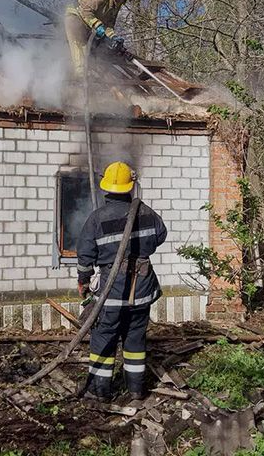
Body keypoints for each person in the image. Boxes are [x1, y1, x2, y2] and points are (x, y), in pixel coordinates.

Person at [76, 161, 166, 401]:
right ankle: (136, 389)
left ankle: (100, 391)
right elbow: (160, 236)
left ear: (106, 187)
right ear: (130, 186)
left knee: (104, 338)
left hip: (111, 293)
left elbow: (85, 256)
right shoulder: (146, 212)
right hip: (142, 290)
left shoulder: (97, 219)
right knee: (135, 338)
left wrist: (83, 282)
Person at [64, 0, 135, 79]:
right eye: (123, 0)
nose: (123, 3)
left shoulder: (114, 8)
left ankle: (89, 75)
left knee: (96, 50)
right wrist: (97, 25)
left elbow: (109, 25)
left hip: (88, 24)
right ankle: (80, 76)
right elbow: (85, 10)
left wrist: (113, 37)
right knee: (79, 43)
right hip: (74, 16)